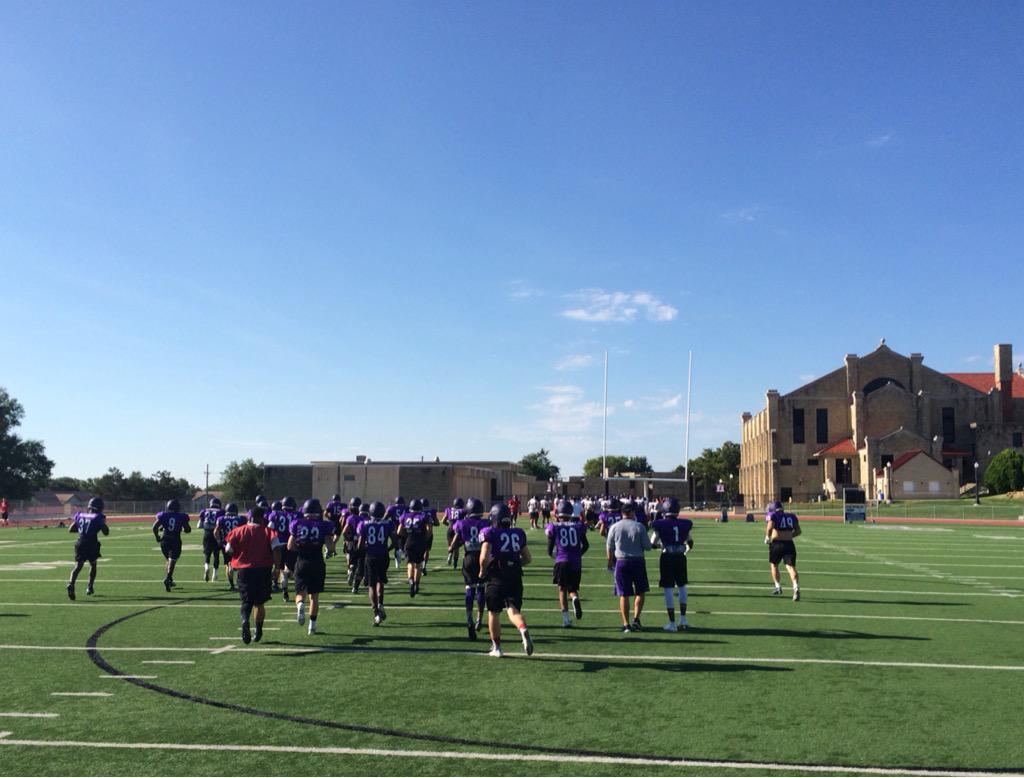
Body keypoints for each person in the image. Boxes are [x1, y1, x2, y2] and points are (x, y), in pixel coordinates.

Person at [479, 502, 534, 658]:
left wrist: (482, 571)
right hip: (515, 576)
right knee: (513, 610)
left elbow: (484, 557)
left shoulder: (489, 532)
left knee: (494, 612)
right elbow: (528, 558)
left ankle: (497, 647)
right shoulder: (518, 533)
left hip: (496, 575)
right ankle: (522, 628)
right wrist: (514, 564)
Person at [224, 504, 280, 644]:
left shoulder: (238, 531)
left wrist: (234, 560)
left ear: (250, 517)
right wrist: (277, 568)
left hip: (244, 570)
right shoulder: (269, 531)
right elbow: (276, 549)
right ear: (262, 519)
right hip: (263, 570)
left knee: (246, 601)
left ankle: (244, 621)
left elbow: (228, 550)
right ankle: (259, 629)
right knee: (259, 603)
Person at [288, 498, 337, 634]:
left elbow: (289, 546)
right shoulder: (324, 525)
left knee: (300, 593)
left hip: (302, 560)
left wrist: (300, 546)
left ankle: (300, 604)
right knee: (314, 596)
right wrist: (330, 548)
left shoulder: (297, 523)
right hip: (317, 561)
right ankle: (312, 627)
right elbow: (330, 547)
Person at [605, 502, 652, 632]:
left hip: (621, 561)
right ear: (631, 512)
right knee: (640, 591)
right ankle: (636, 619)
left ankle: (626, 624)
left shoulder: (614, 527)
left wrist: (609, 561)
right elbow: (648, 546)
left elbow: (609, 546)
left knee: (623, 594)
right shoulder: (639, 526)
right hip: (638, 561)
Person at [650, 497, 694, 632]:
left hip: (667, 556)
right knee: (682, 586)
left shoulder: (659, 524)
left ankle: (672, 623)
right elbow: (690, 542)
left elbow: (652, 543)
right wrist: (685, 550)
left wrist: (660, 545)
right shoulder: (685, 523)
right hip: (680, 557)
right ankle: (683, 619)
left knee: (668, 588)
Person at [449, 497, 489, 639]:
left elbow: (455, 540)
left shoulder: (462, 523)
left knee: (469, 588)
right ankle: (479, 618)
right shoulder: (485, 523)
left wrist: (451, 548)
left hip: (468, 558)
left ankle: (469, 619)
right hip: (482, 557)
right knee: (481, 588)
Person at [545, 498, 589, 627]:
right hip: (576, 562)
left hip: (562, 560)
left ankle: (566, 620)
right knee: (572, 588)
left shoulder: (553, 526)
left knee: (562, 589)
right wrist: (577, 555)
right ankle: (575, 598)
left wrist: (555, 556)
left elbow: (549, 549)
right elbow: (586, 545)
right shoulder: (578, 525)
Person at [357, 500, 396, 626]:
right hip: (383, 555)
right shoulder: (388, 523)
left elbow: (360, 545)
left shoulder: (364, 524)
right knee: (380, 581)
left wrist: (365, 549)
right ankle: (381, 604)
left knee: (371, 585)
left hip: (371, 556)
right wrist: (387, 549)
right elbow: (395, 542)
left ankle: (376, 613)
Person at [67, 497, 108, 599]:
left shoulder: (80, 515)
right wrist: (101, 523)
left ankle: (71, 583)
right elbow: (106, 532)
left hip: (80, 542)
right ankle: (90, 587)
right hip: (91, 542)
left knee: (78, 566)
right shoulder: (98, 516)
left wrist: (83, 528)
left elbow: (71, 529)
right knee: (93, 564)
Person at [765, 500, 801, 600]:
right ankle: (796, 587)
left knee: (774, 565)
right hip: (789, 544)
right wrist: (789, 536)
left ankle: (777, 586)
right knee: (791, 567)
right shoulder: (792, 516)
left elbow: (769, 528)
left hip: (777, 544)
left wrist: (767, 537)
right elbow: (798, 531)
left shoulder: (774, 516)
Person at [152, 498, 191, 592]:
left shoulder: (163, 515)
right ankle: (168, 578)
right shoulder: (182, 516)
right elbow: (188, 530)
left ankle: (170, 579)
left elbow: (154, 527)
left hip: (164, 540)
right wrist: (183, 527)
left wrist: (157, 536)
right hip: (175, 540)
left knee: (169, 560)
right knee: (172, 560)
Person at [397, 498, 431, 597]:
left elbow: (399, 531)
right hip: (419, 541)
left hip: (409, 541)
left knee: (410, 564)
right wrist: (424, 539)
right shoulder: (423, 516)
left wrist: (406, 536)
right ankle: (416, 584)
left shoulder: (404, 516)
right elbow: (429, 531)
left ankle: (411, 581)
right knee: (418, 565)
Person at [215, 503, 246, 591]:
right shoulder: (241, 519)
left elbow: (215, 531)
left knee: (228, 564)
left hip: (226, 544)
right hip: (238, 544)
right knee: (240, 564)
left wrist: (219, 541)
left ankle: (231, 585)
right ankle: (240, 582)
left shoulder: (221, 519)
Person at [197, 497, 225, 582]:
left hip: (207, 534)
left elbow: (199, 526)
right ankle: (214, 575)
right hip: (216, 534)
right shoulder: (221, 512)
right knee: (216, 555)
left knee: (207, 554)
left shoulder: (204, 511)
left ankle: (206, 567)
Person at [444, 497, 466, 569]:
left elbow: (443, 521)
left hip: (450, 529)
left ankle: (450, 553)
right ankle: (455, 565)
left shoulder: (449, 510)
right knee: (456, 547)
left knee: (450, 545)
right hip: (458, 530)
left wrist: (449, 525)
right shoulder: (462, 511)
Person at [388, 496, 407, 568]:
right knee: (403, 544)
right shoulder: (406, 508)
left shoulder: (391, 508)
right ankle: (399, 557)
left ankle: (397, 561)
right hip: (403, 528)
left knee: (395, 545)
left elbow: (385, 517)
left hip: (393, 528)